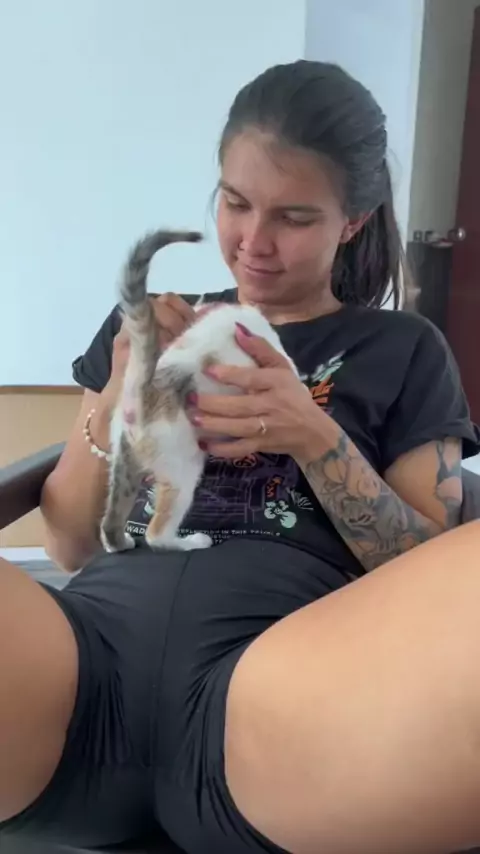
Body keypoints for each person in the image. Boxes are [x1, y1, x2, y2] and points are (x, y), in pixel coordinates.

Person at [2, 59, 480, 854]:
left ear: (352, 221)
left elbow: (424, 571)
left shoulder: (403, 348)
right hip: (72, 676)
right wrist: (119, 395)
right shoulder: (146, 323)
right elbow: (71, 544)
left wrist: (313, 435)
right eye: (235, 203)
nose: (254, 244)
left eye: (294, 217)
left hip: (285, 701)